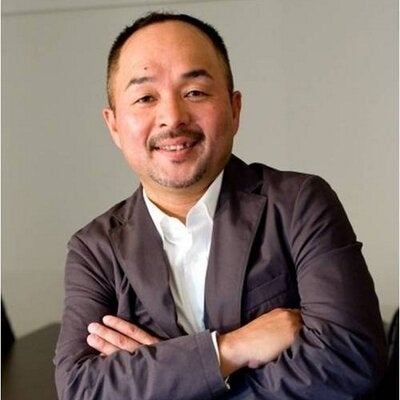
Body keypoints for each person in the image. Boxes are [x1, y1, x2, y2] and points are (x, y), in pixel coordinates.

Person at [54, 11, 387, 399]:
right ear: (113, 125)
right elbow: (81, 388)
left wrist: (167, 377)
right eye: (145, 98)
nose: (172, 117)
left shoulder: (299, 204)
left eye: (194, 92)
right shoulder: (95, 249)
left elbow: (350, 358)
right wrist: (229, 350)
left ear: (234, 108)